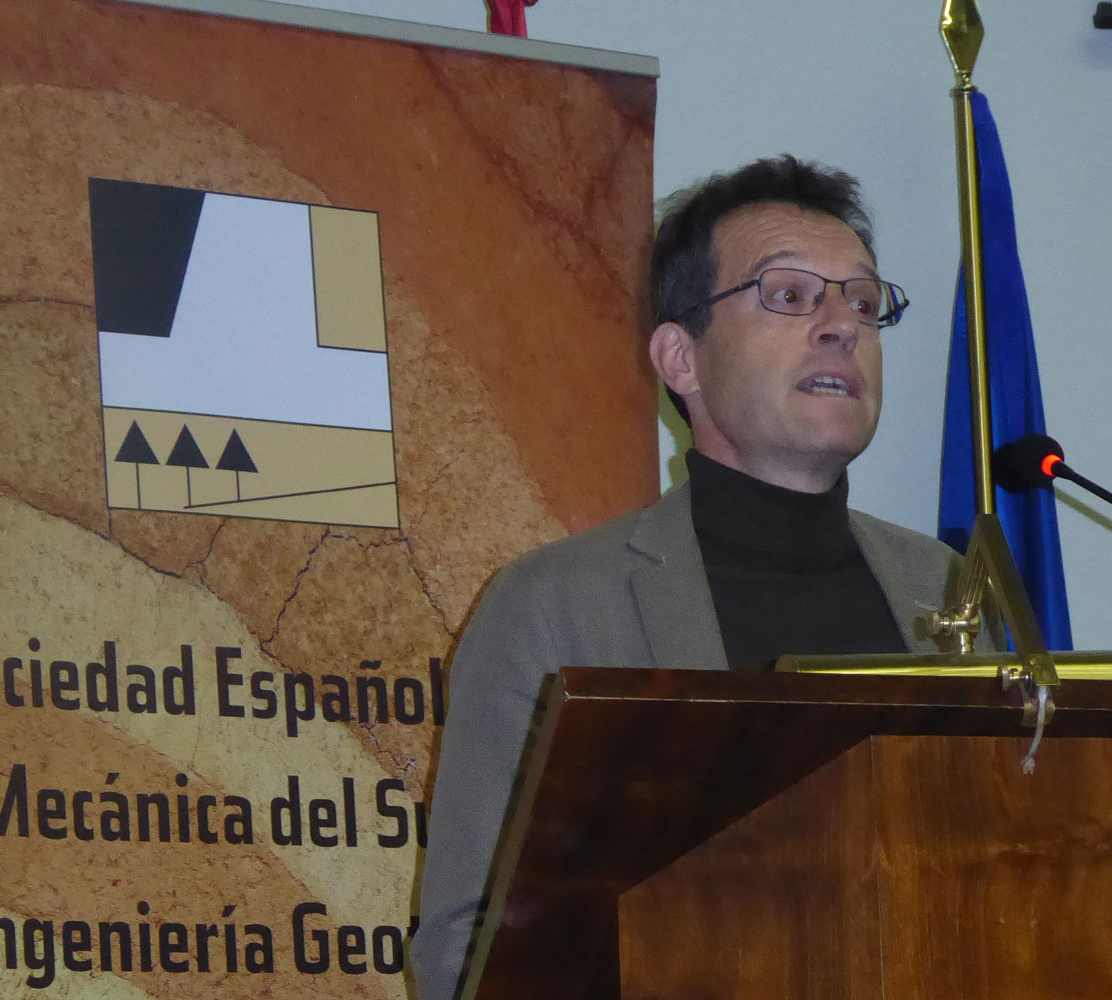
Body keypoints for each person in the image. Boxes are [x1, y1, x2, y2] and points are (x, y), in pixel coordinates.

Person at [409, 155, 963, 1000]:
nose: (842, 326)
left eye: (861, 300)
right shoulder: (556, 607)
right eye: (788, 295)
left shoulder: (947, 592)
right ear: (681, 358)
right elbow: (467, 947)